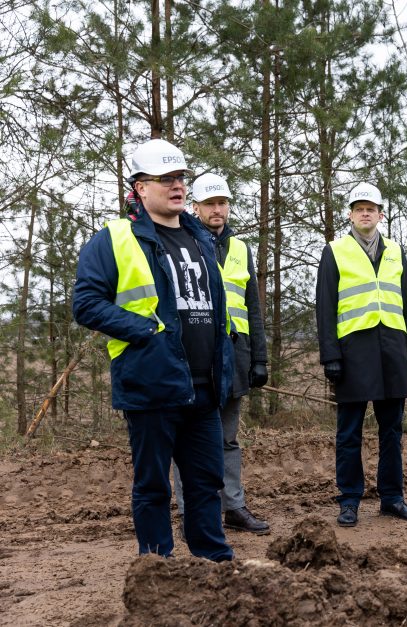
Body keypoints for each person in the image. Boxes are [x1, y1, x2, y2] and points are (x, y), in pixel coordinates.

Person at [72, 139, 234, 561]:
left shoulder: (201, 237)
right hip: (152, 384)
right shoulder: (114, 239)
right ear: (140, 188)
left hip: (204, 386)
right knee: (153, 486)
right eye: (165, 179)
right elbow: (86, 304)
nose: (177, 186)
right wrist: (145, 330)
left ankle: (213, 562)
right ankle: (156, 570)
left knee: (205, 482)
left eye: (181, 178)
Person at [315, 182, 407, 528]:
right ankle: (349, 500)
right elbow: (325, 307)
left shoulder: (395, 251)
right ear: (350, 214)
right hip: (352, 354)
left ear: (380, 214)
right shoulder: (335, 251)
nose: (365, 213)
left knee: (392, 430)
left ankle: (392, 498)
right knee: (349, 433)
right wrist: (330, 355)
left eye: (371, 208)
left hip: (392, 351)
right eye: (359, 208)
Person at [172, 173, 271, 536]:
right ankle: (193, 514)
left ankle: (233, 507)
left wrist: (259, 359)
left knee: (228, 439)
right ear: (195, 207)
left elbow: (253, 308)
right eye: (210, 203)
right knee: (190, 443)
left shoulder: (241, 248)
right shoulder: (182, 243)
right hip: (196, 358)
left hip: (236, 356)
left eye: (222, 203)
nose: (217, 209)